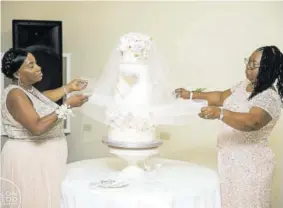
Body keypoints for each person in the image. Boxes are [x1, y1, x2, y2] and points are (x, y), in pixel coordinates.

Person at [174, 45, 283, 208]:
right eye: (248, 62)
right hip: (229, 162)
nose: (247, 68)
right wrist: (190, 95)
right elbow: (220, 97)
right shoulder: (244, 85)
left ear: (268, 68)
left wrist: (220, 114)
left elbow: (252, 122)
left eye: (253, 64)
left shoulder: (270, 96)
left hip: (250, 167)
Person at [1, 48, 89, 208]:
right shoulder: (15, 95)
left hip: (42, 160)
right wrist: (67, 105)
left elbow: (43, 98)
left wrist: (68, 88)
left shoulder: (27, 91)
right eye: (31, 65)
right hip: (29, 160)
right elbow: (37, 127)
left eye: (36, 63)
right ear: (16, 74)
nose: (39, 68)